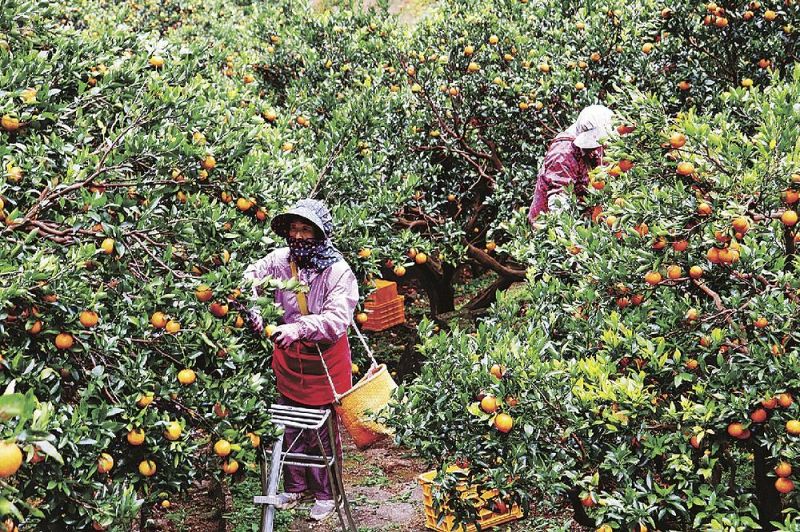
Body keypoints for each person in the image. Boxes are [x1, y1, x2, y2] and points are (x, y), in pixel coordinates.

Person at [243, 198, 359, 521]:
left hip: (324, 361)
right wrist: (254, 308)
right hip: (290, 363)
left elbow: (337, 320)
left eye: (305, 229)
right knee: (290, 425)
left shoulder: (338, 271)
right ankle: (294, 488)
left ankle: (325, 493)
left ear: (320, 234)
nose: (298, 235)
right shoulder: (282, 261)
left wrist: (298, 328)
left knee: (321, 431)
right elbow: (250, 276)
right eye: (294, 228)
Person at [528, 104, 614, 225]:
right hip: (550, 221)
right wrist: (565, 231)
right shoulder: (562, 153)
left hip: (583, 217)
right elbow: (558, 198)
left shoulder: (598, 142)